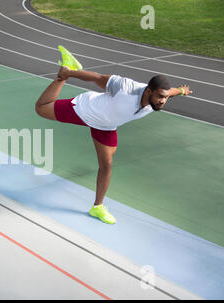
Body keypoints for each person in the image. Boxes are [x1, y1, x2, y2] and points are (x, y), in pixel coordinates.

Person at [35, 51, 192, 224]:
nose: (163, 101)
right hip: (85, 110)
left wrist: (183, 91)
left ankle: (97, 207)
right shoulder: (126, 88)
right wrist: (69, 74)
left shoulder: (161, 97)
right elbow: (97, 77)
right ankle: (63, 73)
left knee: (107, 164)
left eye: (165, 97)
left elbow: (172, 91)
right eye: (160, 97)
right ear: (148, 91)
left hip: (106, 126)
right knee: (41, 108)